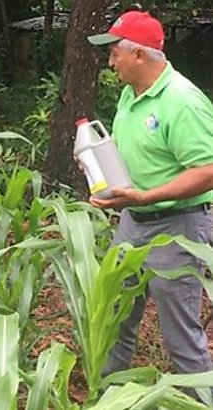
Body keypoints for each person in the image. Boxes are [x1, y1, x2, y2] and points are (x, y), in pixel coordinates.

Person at [87, 10, 213, 395]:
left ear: (139, 55)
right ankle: (109, 396)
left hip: (179, 226)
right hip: (133, 222)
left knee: (179, 332)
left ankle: (200, 399)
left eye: (115, 54)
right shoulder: (130, 94)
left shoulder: (183, 101)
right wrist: (99, 165)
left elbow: (207, 171)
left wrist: (145, 196)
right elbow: (136, 153)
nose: (110, 62)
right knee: (116, 313)